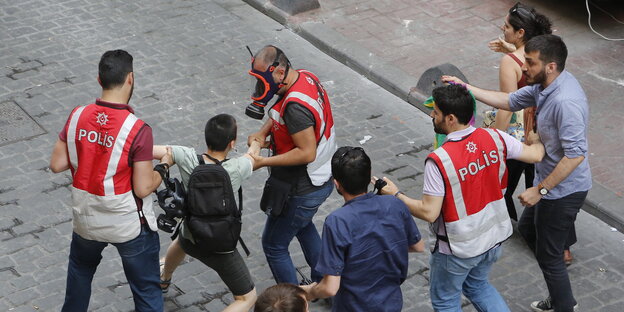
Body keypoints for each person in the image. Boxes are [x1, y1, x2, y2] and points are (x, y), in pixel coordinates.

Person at [443, 34, 591, 312]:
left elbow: (576, 155)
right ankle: (562, 296)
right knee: (528, 231)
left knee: (550, 256)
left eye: (530, 63)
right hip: (551, 183)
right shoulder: (543, 86)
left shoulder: (565, 102)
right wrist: (466, 88)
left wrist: (540, 189)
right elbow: (508, 101)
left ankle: (564, 305)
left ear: (551, 66)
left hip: (563, 190)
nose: (524, 68)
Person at [376, 84, 545, 312]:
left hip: (458, 248)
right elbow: (535, 154)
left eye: (436, 112)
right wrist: (536, 139)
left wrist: (396, 195)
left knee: (446, 301)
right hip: (493, 238)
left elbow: (429, 212)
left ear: (451, 118)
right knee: (478, 286)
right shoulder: (496, 137)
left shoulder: (439, 160)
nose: (432, 115)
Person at [49, 50, 164, 311]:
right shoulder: (138, 130)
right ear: (131, 79)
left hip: (87, 219)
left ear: (99, 80)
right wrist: (164, 168)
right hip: (127, 224)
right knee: (146, 291)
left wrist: (89, 146)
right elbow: (143, 186)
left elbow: (57, 164)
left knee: (80, 273)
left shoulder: (77, 115)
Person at [246, 45, 336, 285]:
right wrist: (262, 135)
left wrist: (263, 161)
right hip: (321, 177)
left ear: (279, 72)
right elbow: (280, 111)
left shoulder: (296, 108)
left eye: (263, 80)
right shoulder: (304, 76)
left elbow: (306, 152)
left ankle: (293, 303)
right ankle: (325, 284)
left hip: (303, 186)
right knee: (302, 226)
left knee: (274, 245)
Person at [154, 114, 261, 312]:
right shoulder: (237, 167)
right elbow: (253, 155)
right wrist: (256, 142)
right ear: (232, 142)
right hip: (219, 246)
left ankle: (163, 278)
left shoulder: (186, 156)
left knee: (180, 241)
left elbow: (152, 150)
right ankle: (163, 277)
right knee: (247, 297)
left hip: (192, 233)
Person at [301, 147, 424, 311]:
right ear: (369, 174)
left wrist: (309, 292)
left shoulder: (337, 221)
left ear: (337, 184)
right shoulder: (394, 203)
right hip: (391, 303)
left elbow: (330, 288)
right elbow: (417, 245)